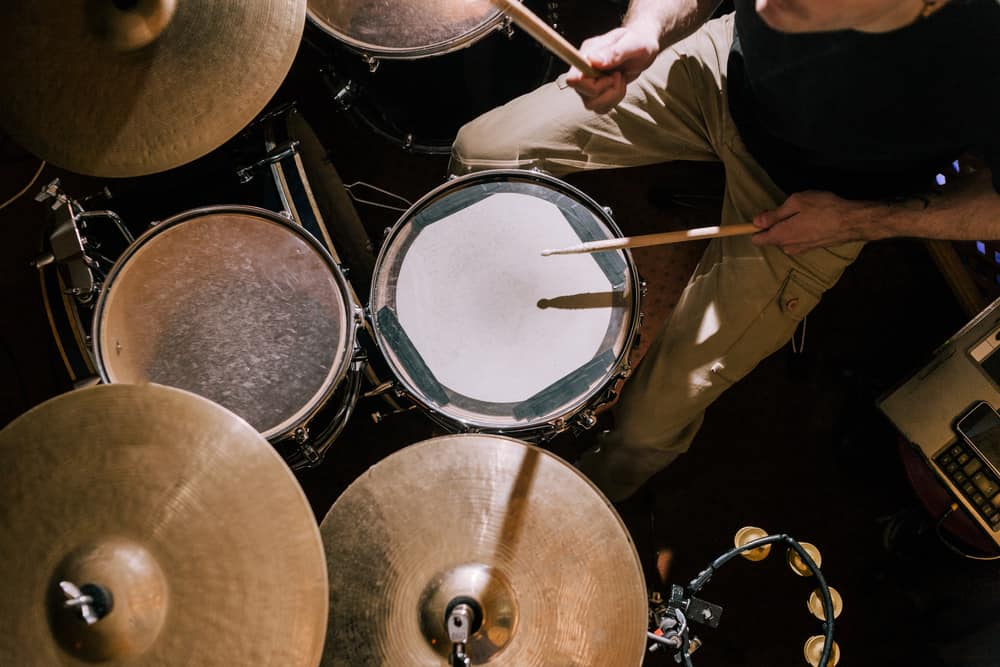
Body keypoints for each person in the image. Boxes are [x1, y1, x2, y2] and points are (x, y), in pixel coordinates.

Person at [450, 0, 1000, 502]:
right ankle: (468, 326)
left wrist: (864, 220)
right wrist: (646, 29)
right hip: (720, 72)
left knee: (645, 425)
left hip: (828, 205)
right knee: (480, 154)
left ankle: (574, 513)